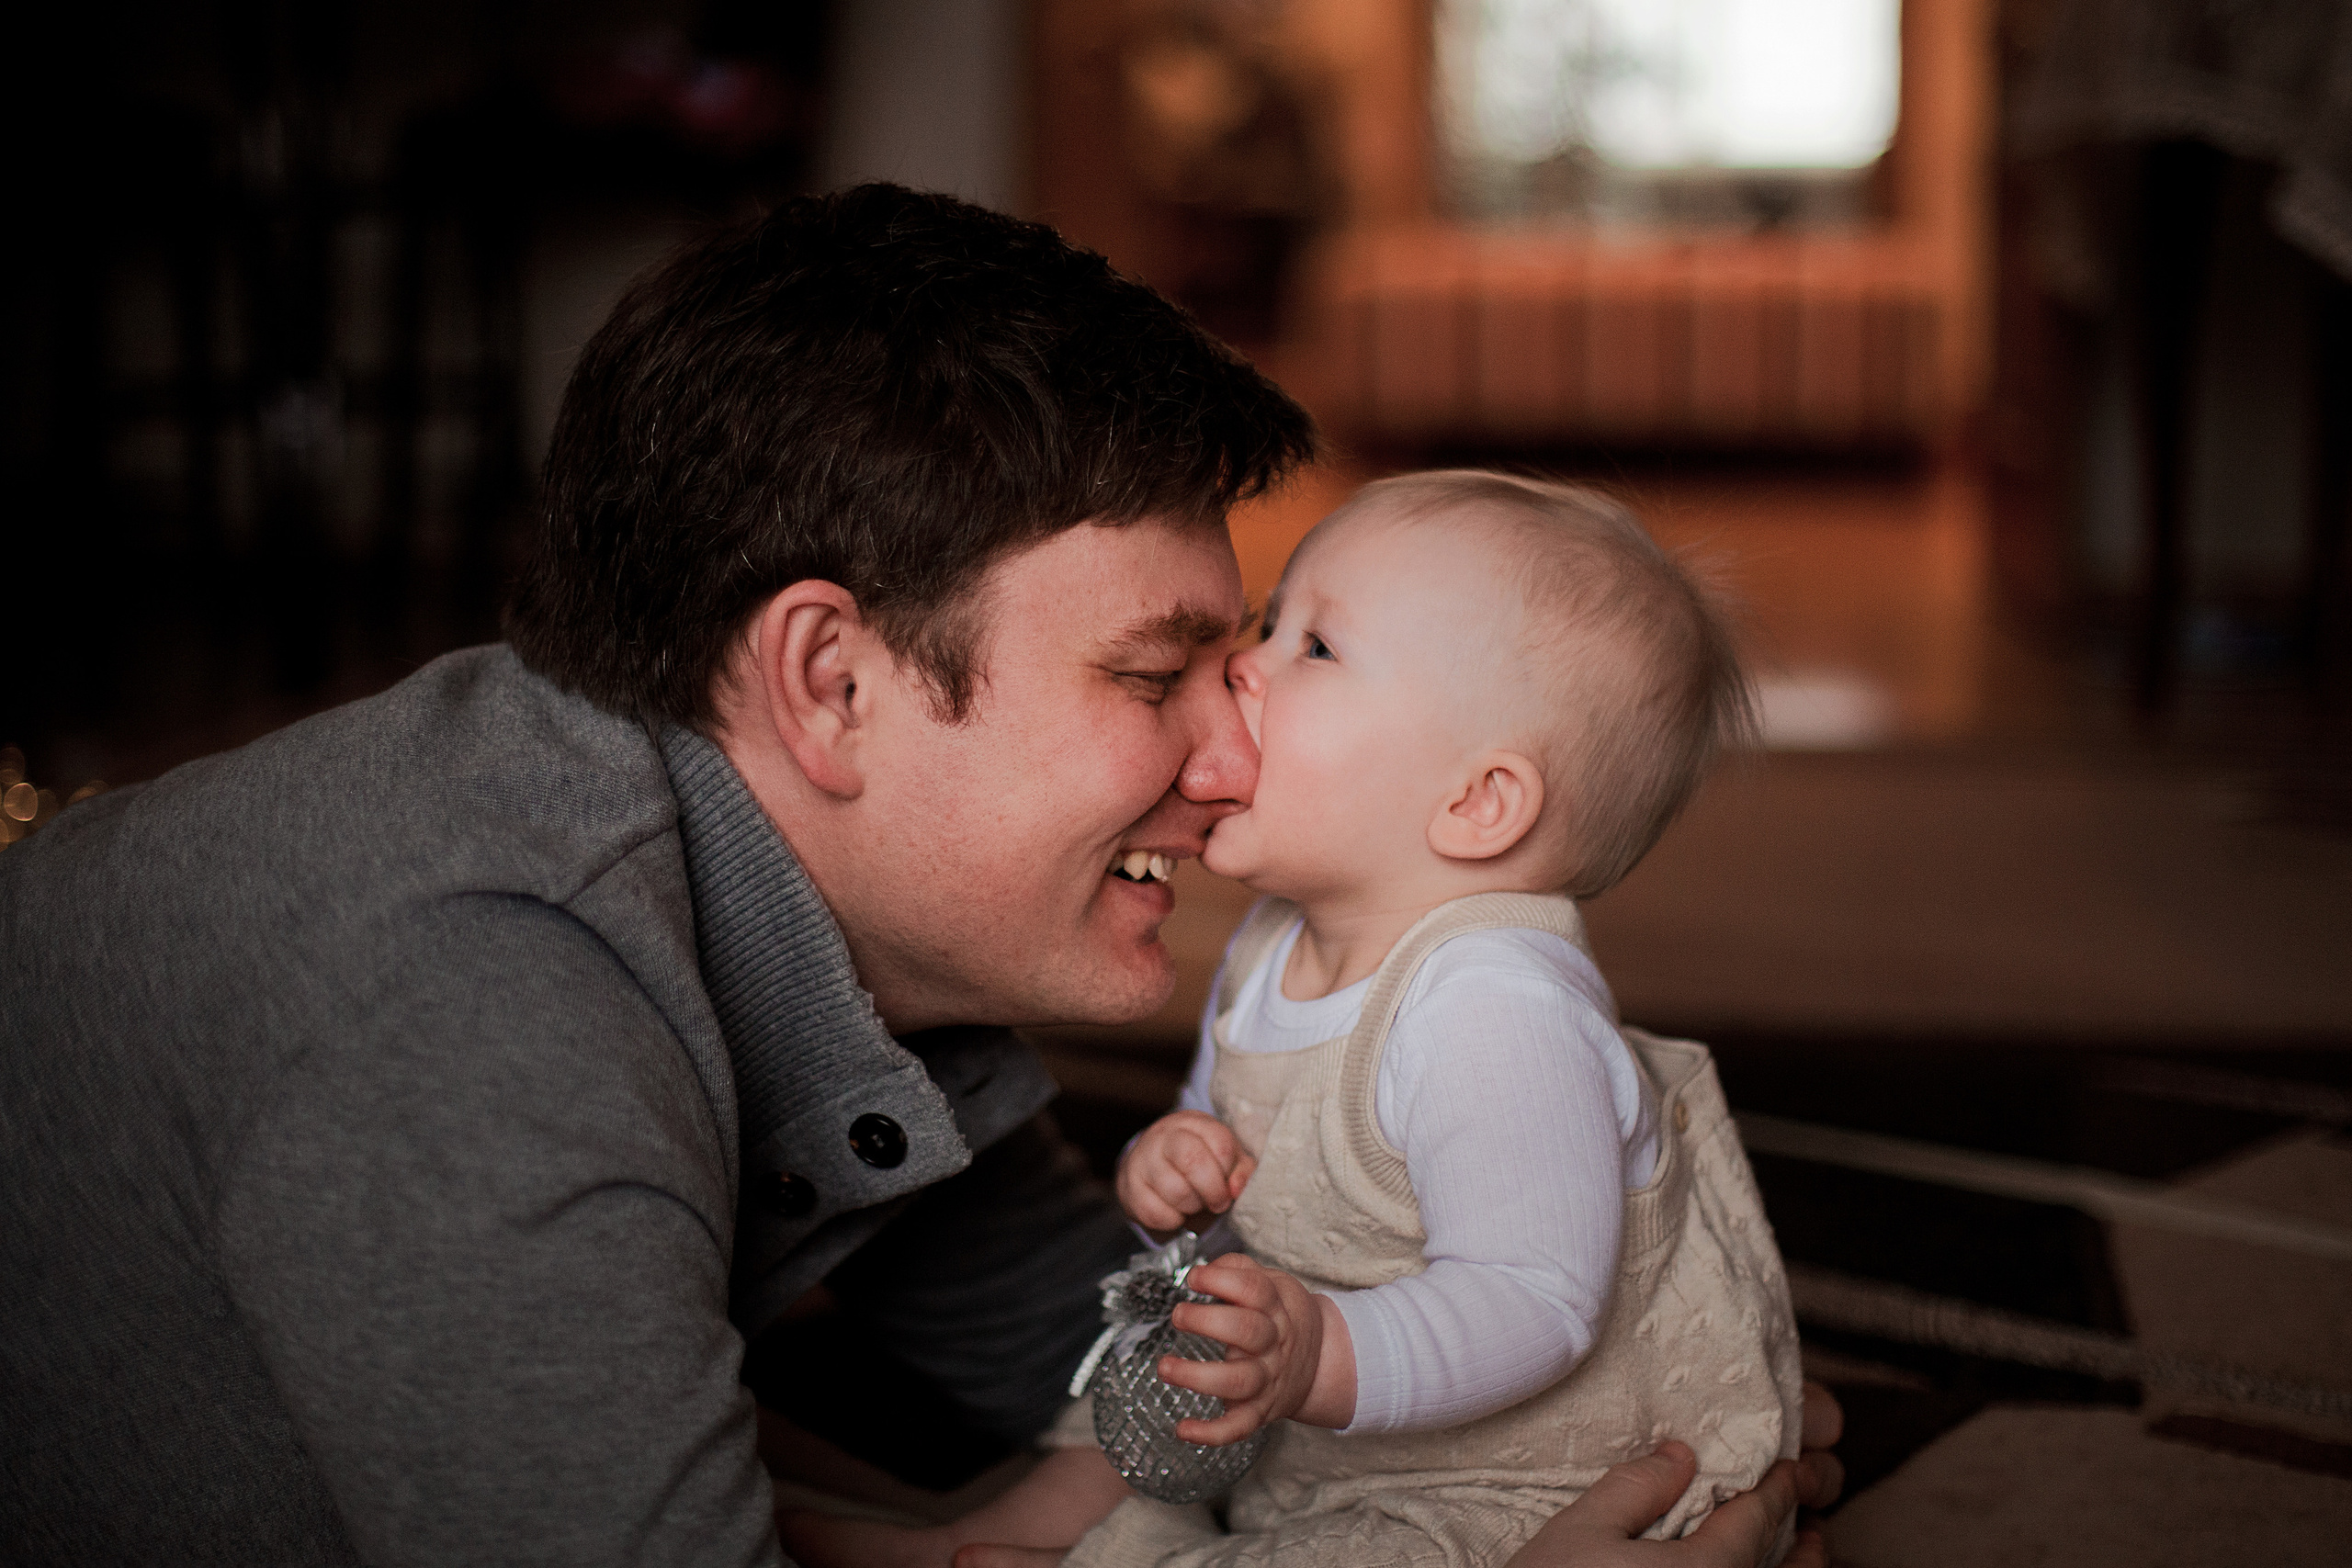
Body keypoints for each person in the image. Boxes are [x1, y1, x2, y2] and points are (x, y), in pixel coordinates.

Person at [1, 188, 1833, 1568]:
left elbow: (1107, 1348)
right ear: (835, 682)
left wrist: (1655, 1412)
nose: (1230, 756)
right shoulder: (469, 995)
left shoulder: (861, 944)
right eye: (1155, 670)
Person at [789, 471, 1803, 1568]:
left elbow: (1535, 1298)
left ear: (1476, 802)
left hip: (1508, 1478)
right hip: (1314, 1403)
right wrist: (1177, 1167)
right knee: (1129, 1400)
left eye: (1313, 649)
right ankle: (980, 1543)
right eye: (1275, 620)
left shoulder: (1493, 1008)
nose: (1239, 663)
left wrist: (1320, 1350)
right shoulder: (1278, 943)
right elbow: (1237, 1164)